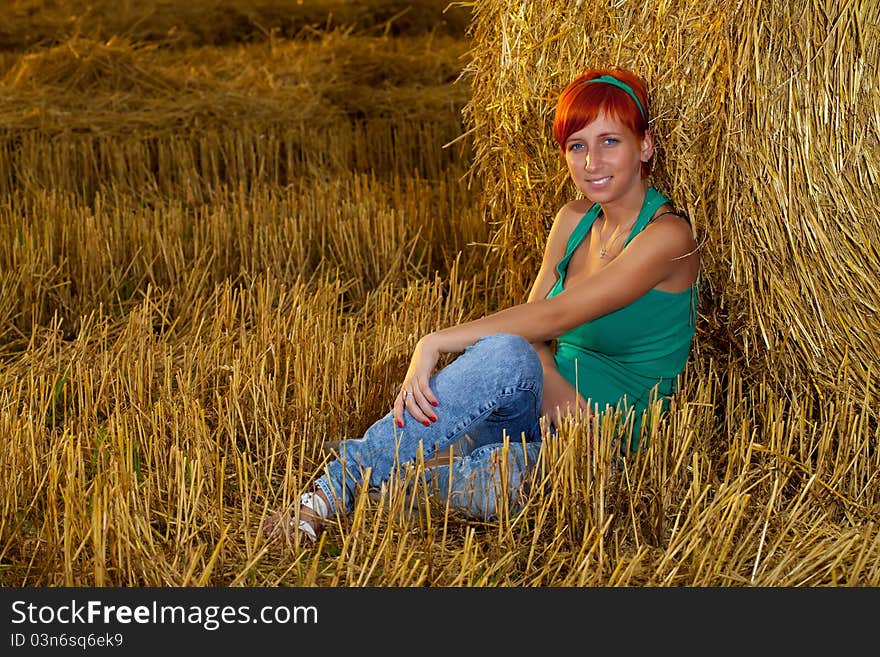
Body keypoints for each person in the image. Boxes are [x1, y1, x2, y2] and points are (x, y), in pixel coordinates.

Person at [264, 67, 700, 545]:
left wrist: (436, 341)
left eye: (609, 141)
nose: (592, 161)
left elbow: (555, 317)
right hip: (536, 408)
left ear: (645, 146)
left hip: (598, 442)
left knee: (483, 481)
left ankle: (393, 465)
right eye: (577, 145)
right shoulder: (572, 220)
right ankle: (332, 489)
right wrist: (550, 384)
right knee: (503, 353)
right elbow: (527, 330)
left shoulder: (668, 238)